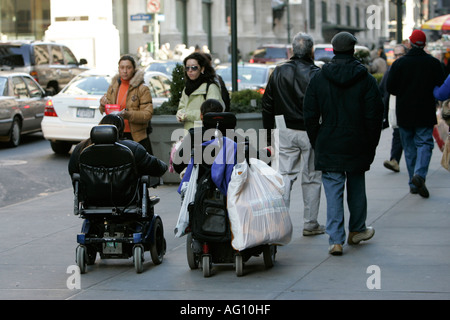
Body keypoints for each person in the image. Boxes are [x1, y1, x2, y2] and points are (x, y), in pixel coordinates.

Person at [304, 32, 384, 255]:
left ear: (333, 50)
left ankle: (335, 239)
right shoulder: (366, 79)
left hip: (329, 141)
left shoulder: (319, 78)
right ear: (353, 50)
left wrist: (317, 139)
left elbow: (309, 114)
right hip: (357, 141)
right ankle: (357, 229)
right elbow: (374, 115)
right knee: (357, 186)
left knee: (333, 190)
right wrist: (371, 143)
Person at [262, 32, 324, 237]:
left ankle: (280, 221)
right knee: (312, 177)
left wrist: (268, 137)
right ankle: (310, 222)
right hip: (311, 130)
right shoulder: (316, 73)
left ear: (291, 50)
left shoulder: (278, 72)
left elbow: (267, 105)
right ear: (312, 51)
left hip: (284, 128)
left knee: (284, 177)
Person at [386, 29, 446, 198]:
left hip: (404, 113)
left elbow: (391, 88)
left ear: (410, 44)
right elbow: (441, 86)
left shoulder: (399, 64)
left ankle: (413, 182)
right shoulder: (433, 63)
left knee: (409, 147)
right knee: (425, 143)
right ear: (424, 44)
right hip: (425, 112)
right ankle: (419, 174)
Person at [68, 114, 168, 179]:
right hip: (127, 199)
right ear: (120, 130)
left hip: (90, 198)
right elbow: (158, 168)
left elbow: (73, 173)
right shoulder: (132, 148)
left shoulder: (81, 148)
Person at [99, 55, 154, 154]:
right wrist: (103, 106)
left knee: (139, 168)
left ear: (133, 69)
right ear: (118, 69)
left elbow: (147, 115)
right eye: (122, 67)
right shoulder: (113, 87)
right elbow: (106, 110)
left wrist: (127, 115)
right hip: (115, 134)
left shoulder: (142, 88)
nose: (125, 71)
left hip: (136, 137)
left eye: (128, 67)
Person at [176, 52, 224, 130]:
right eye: (187, 68)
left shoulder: (211, 87)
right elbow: (181, 107)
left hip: (206, 133)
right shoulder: (187, 88)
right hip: (189, 132)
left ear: (202, 69)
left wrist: (188, 115)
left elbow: (213, 113)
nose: (190, 71)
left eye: (194, 67)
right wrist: (180, 114)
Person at [379, 44, 408, 172]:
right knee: (397, 134)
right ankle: (394, 160)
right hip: (395, 109)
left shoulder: (409, 69)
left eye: (400, 54)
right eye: (395, 55)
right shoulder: (390, 70)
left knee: (408, 137)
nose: (397, 57)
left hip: (410, 109)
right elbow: (382, 90)